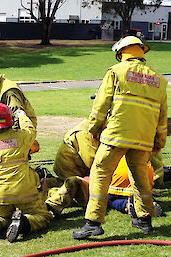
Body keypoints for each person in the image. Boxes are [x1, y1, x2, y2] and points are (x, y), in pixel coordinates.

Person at [73, 36, 168, 239]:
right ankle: (144, 219)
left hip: (117, 135)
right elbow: (162, 117)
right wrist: (159, 142)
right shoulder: (159, 80)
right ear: (141, 52)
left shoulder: (116, 72)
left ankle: (93, 222)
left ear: (121, 53)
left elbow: (101, 106)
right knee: (140, 177)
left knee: (100, 172)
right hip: (143, 139)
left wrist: (94, 128)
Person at [0, 104, 52, 243]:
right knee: (42, 215)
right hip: (25, 192)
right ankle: (24, 223)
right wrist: (22, 116)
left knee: (0, 215)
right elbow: (30, 129)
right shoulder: (21, 137)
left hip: (0, 195)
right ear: (11, 121)